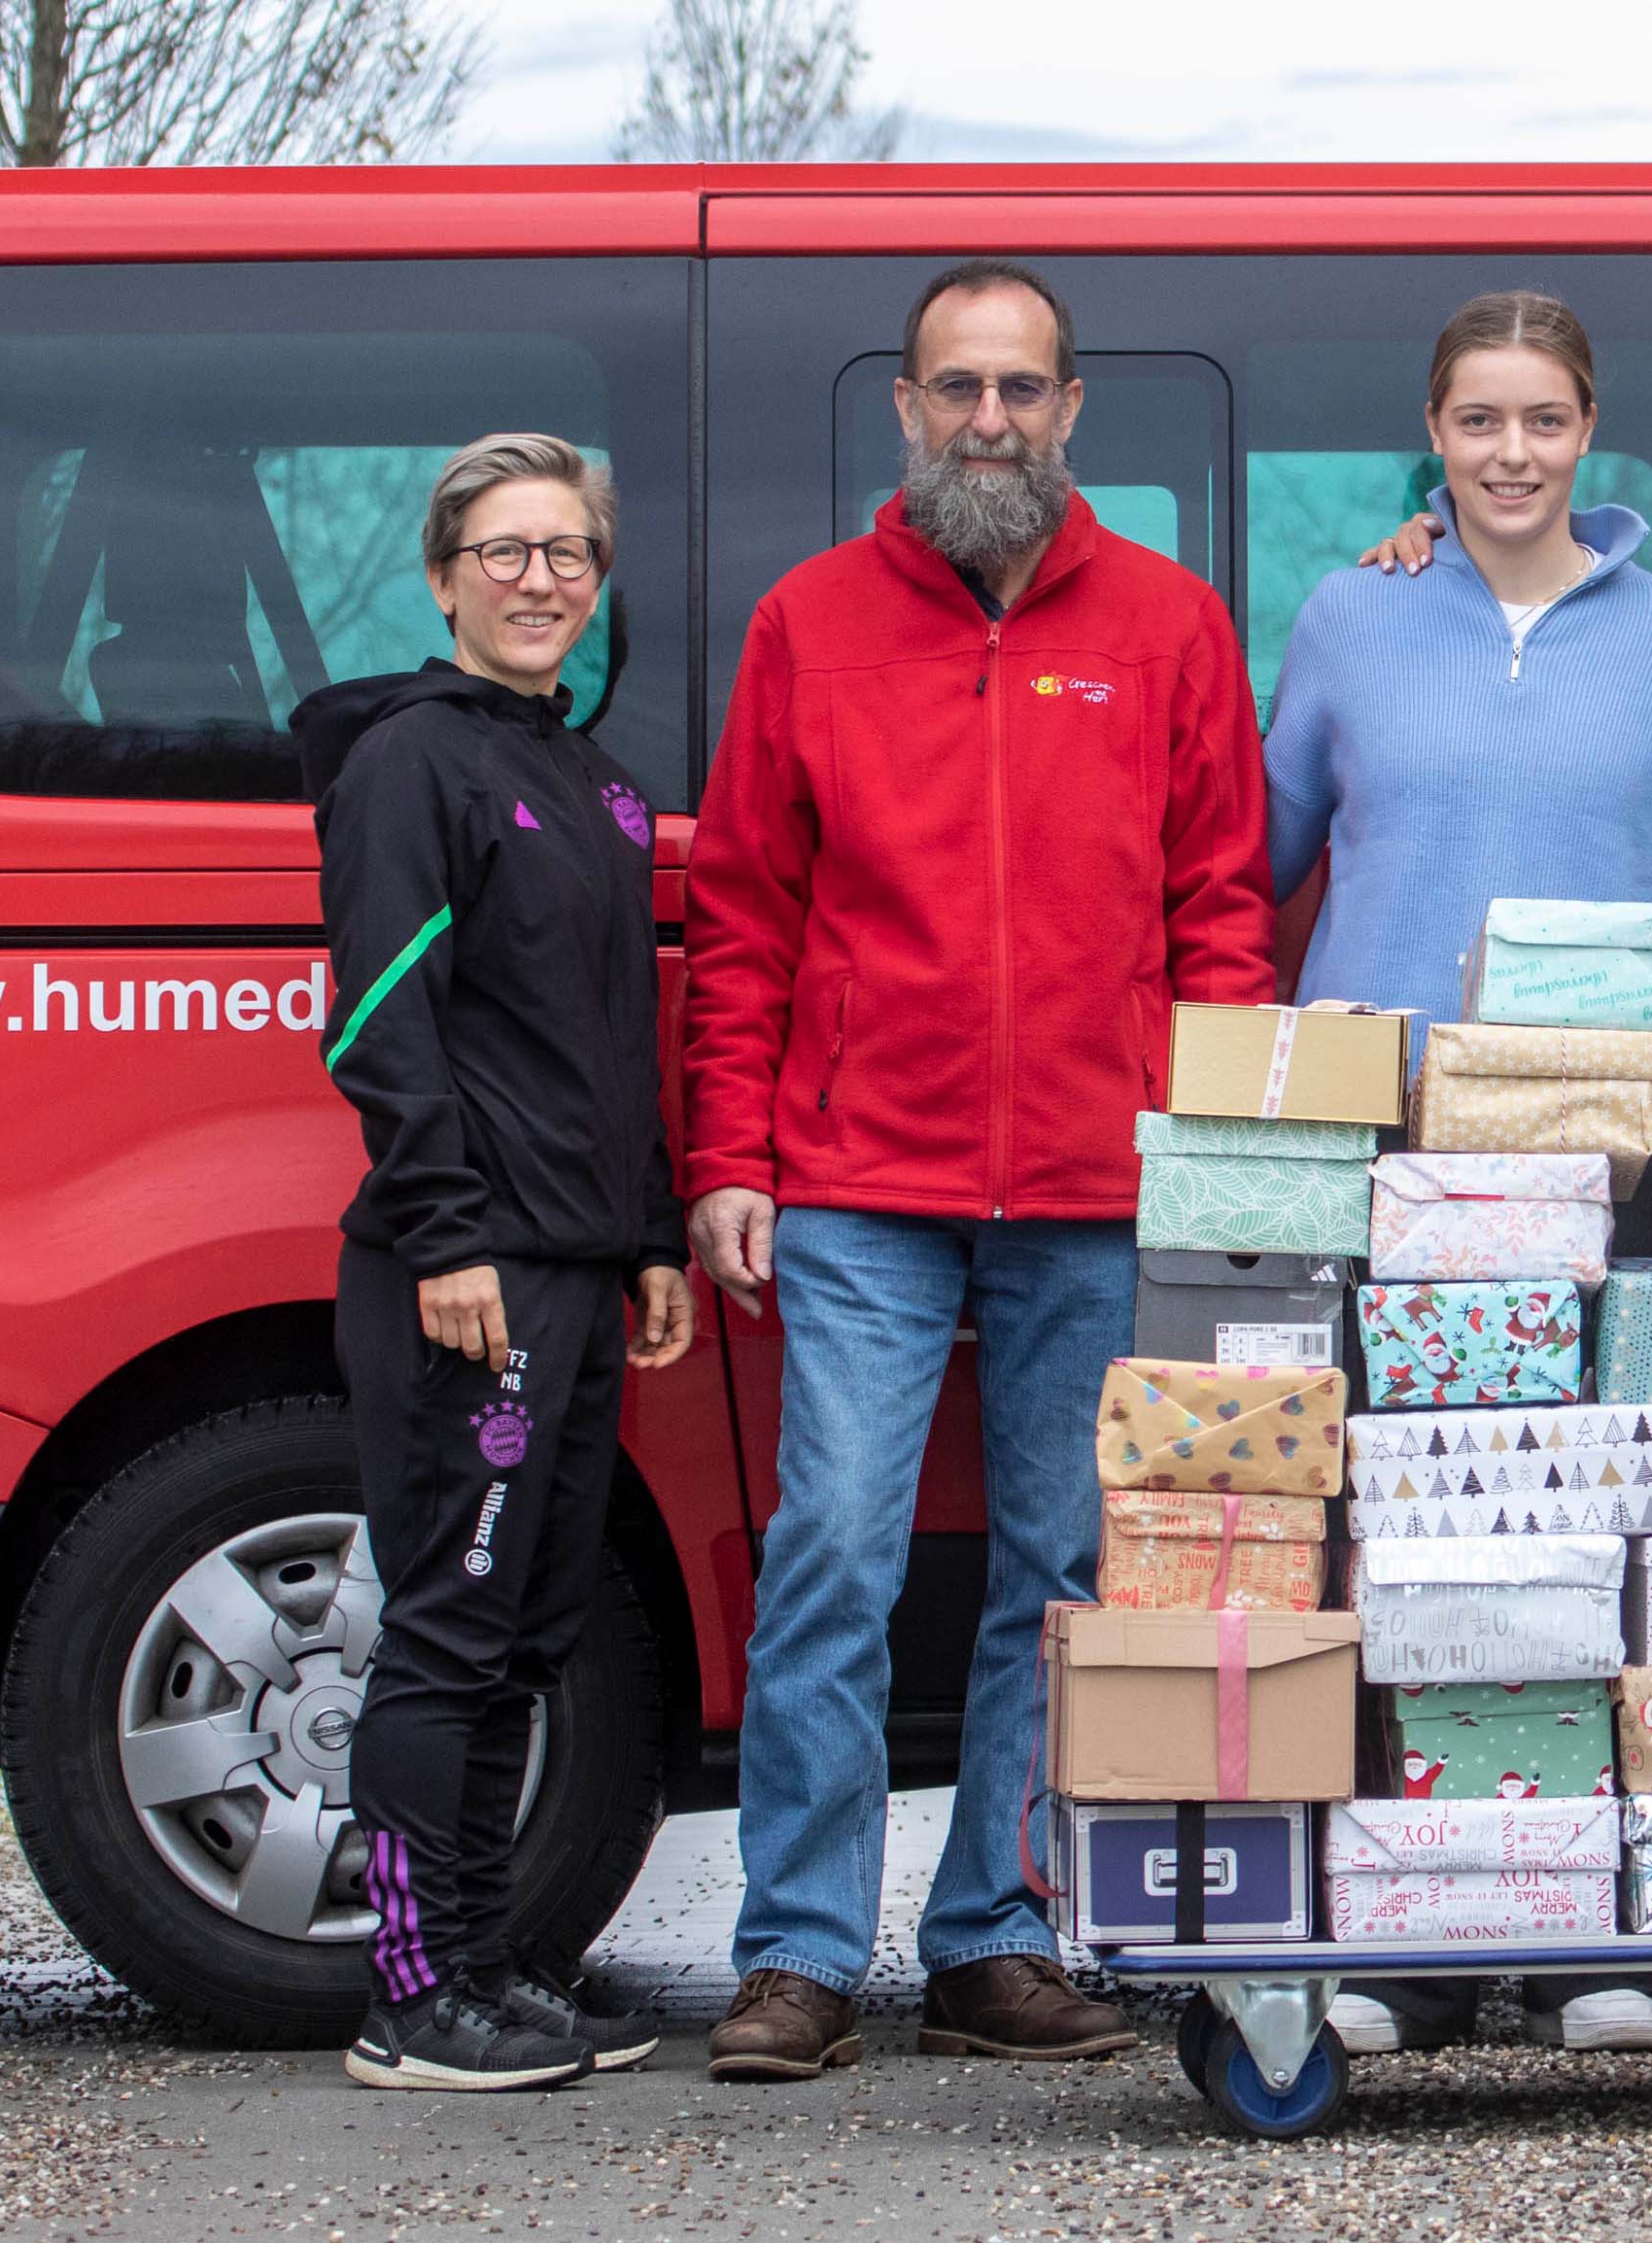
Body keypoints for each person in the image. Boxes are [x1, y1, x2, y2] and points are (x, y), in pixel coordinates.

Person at [681, 259, 1281, 2082]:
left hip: (1102, 1192)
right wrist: (727, 1150)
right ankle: (796, 1955)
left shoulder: (1173, 627)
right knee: (834, 1561)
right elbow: (743, 921)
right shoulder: (811, 622)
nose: (991, 418)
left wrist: (1213, 1159)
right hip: (863, 1180)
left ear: (1074, 408)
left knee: (1063, 1570)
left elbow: (1223, 919)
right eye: (958, 387)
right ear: (906, 410)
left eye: (1022, 387)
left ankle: (991, 1936)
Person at [1278, 290, 1652, 2058]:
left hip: (1595, 1153)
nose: (1512, 453)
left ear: (1595, 434)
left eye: (1546, 421)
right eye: (1480, 420)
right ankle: (1417, 1941)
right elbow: (1265, 848)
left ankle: (1596, 1934)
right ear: (1433, 428)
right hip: (1396, 1158)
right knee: (1398, 1545)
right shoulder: (1351, 615)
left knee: (1585, 1530)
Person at [304, 432, 688, 2092]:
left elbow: (613, 1037)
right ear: (445, 573)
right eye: (509, 549)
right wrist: (448, 1233)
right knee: (452, 1627)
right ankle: (411, 1995)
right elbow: (386, 1023)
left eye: (570, 554)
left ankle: (499, 1958)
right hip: (468, 1272)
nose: (542, 580)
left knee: (531, 1625)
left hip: (579, 1268)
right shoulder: (411, 764)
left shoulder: (588, 779)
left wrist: (656, 1232)